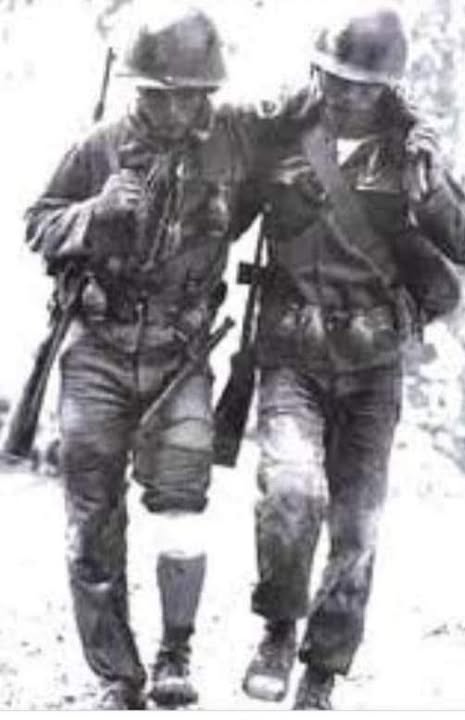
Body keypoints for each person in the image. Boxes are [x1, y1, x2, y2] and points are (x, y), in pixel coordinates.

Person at [240, 3, 465, 710]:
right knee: (291, 490)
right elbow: (222, 218)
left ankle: (322, 667)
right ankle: (278, 628)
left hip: (374, 360)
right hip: (290, 350)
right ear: (315, 70)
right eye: (335, 77)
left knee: (356, 524)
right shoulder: (280, 133)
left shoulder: (411, 148)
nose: (346, 93)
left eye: (363, 84)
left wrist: (428, 190)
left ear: (386, 86)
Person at [25, 5, 258, 710]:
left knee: (183, 502)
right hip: (96, 350)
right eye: (161, 95)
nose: (177, 109)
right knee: (92, 520)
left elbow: (294, 133)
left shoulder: (232, 144)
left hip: (181, 354)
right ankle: (116, 676)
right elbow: (39, 224)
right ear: (138, 88)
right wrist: (93, 213)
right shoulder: (98, 146)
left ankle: (174, 655)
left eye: (192, 95)